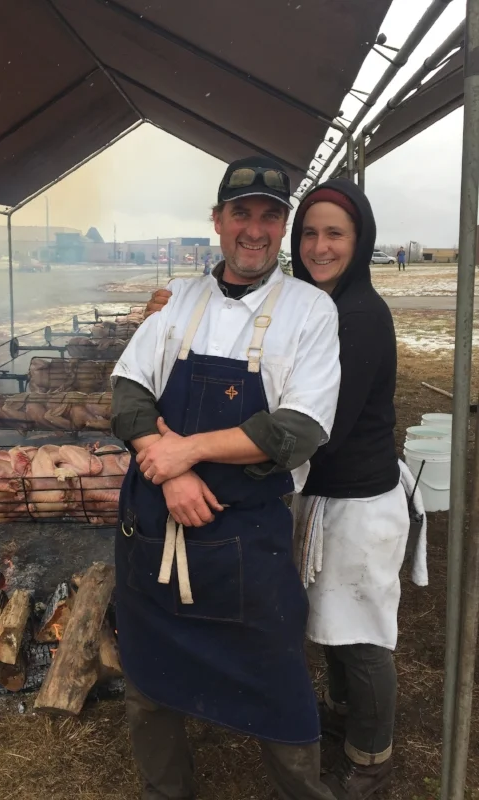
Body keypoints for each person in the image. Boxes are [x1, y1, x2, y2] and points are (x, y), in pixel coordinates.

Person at [145, 179, 424, 800]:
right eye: (311, 234)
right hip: (318, 497)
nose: (320, 247)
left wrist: (198, 457)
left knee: (361, 632)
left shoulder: (357, 317)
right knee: (327, 620)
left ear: (361, 241)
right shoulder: (306, 304)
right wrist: (178, 313)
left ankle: (370, 754)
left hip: (358, 501)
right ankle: (342, 718)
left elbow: (315, 429)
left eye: (336, 234)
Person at [111, 156, 342, 800]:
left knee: (280, 688)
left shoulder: (309, 313)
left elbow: (297, 428)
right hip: (155, 531)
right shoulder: (179, 300)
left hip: (246, 543)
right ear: (217, 220)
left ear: (284, 227)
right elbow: (128, 394)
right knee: (149, 687)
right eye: (242, 213)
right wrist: (170, 473)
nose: (255, 230)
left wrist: (184, 451)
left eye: (271, 216)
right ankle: (167, 791)